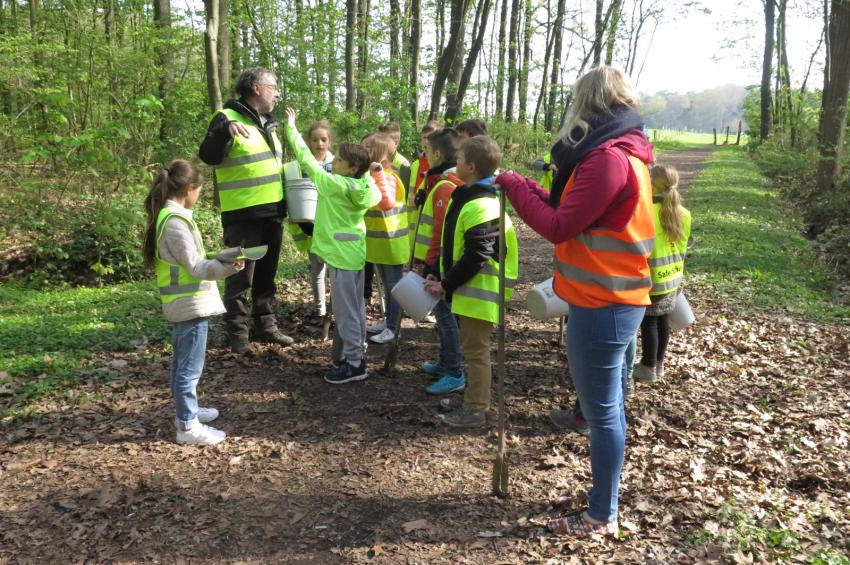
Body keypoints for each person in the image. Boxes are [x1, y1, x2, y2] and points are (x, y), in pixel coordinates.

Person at [496, 66, 655, 538]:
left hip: (603, 302)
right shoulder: (623, 151)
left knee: (603, 413)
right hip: (609, 298)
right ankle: (604, 502)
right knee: (607, 409)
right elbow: (573, 211)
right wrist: (527, 186)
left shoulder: (608, 158)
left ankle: (602, 515)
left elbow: (558, 226)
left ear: (588, 102)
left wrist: (513, 186)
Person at [142, 160, 243, 445]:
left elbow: (192, 259)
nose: (199, 195)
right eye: (199, 190)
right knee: (189, 368)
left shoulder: (173, 216)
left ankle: (188, 411)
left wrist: (225, 256)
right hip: (189, 304)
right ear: (189, 189)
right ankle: (187, 426)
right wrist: (231, 267)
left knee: (182, 363)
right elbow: (197, 268)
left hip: (186, 303)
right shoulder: (174, 222)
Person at [198, 67, 294, 354]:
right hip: (242, 213)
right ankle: (237, 333)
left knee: (266, 275)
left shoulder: (269, 124)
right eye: (273, 86)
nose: (277, 93)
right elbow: (208, 154)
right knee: (239, 276)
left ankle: (266, 325)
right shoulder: (226, 118)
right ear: (256, 88)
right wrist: (221, 133)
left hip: (272, 212)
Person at [425, 136, 518, 427]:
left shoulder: (483, 204)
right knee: (471, 349)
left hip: (482, 292)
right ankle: (472, 400)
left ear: (471, 166)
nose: (455, 163)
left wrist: (446, 284)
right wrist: (440, 274)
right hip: (471, 291)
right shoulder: (471, 197)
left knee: (476, 353)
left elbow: (477, 254)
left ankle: (475, 409)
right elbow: (459, 248)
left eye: (461, 158)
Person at [283, 107, 380, 384]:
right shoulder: (365, 187)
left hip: (339, 257)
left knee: (346, 312)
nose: (333, 161)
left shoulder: (331, 184)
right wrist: (367, 172)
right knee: (357, 309)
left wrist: (291, 127)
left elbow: (304, 157)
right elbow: (370, 187)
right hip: (356, 254)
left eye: (339, 160)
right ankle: (357, 353)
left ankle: (353, 364)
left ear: (350, 168)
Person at [414, 128, 465, 395]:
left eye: (427, 152)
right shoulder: (444, 181)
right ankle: (446, 362)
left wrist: (432, 268)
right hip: (442, 264)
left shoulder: (446, 186)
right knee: (445, 315)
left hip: (442, 266)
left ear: (436, 153)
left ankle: (454, 371)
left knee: (446, 317)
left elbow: (441, 233)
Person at [633, 164, 691, 382]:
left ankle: (647, 368)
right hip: (673, 277)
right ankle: (659, 365)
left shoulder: (646, 212)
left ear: (652, 184)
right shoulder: (684, 213)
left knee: (648, 322)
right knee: (663, 320)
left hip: (651, 277)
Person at [284, 120, 335, 324]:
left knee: (333, 269)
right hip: (310, 225)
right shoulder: (301, 165)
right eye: (315, 140)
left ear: (330, 141)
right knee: (317, 268)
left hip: (331, 224)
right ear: (308, 142)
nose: (319, 144)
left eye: (323, 140)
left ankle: (333, 309)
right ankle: (320, 309)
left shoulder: (337, 164)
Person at [361, 134, 409, 345]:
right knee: (386, 284)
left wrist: (377, 174)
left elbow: (386, 203)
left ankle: (394, 328)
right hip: (379, 243)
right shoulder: (370, 175)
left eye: (366, 147)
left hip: (392, 241)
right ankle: (388, 321)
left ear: (376, 152)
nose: (362, 150)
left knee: (394, 286)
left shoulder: (387, 175)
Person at [407, 121, 443, 249]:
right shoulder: (416, 164)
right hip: (413, 220)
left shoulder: (439, 165)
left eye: (430, 138)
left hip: (429, 222)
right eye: (424, 138)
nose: (426, 142)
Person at [378, 121, 411, 189]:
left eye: (384, 140)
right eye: (379, 139)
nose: (380, 143)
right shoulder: (377, 159)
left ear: (396, 142)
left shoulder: (403, 164)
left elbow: (403, 192)